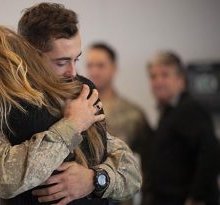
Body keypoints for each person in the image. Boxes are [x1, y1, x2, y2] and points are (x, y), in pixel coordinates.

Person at [18, 3, 140, 204]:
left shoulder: (81, 95)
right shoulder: (1, 105)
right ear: (31, 56)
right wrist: (72, 125)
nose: (73, 73)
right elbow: (8, 179)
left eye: (76, 60)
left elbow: (131, 172)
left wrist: (94, 179)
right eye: (61, 62)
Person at [142, 51, 220, 205]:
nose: (158, 81)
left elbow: (211, 154)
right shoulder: (170, 111)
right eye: (153, 76)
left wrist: (196, 198)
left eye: (165, 75)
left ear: (181, 79)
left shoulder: (190, 110)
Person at [85, 42, 152, 155]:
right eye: (90, 65)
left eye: (100, 65)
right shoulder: (77, 109)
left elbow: (148, 156)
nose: (94, 72)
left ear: (114, 68)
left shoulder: (133, 114)